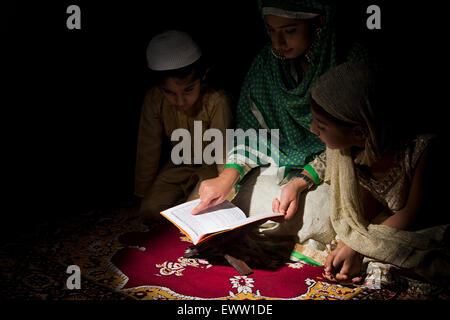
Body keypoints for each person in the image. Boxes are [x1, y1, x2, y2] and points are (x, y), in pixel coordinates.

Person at [273, 61, 449, 286]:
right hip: (378, 222)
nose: (312, 129)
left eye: (321, 125)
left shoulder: (422, 151)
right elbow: (324, 163)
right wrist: (297, 184)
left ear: (359, 132)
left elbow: (411, 214)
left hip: (418, 225)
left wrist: (355, 245)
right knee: (315, 220)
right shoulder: (347, 149)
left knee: (415, 253)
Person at [191, 0, 367, 222]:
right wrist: (228, 175)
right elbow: (253, 132)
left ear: (319, 23)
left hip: (341, 165)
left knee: (317, 213)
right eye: (272, 30)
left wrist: (302, 181)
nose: (278, 42)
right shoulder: (267, 65)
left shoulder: (348, 60)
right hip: (280, 162)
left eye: (289, 30)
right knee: (245, 203)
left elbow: (358, 141)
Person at [134, 30, 233, 221]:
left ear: (203, 75)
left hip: (211, 169)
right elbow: (148, 148)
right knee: (150, 210)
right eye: (169, 92)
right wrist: (142, 195)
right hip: (179, 164)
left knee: (201, 212)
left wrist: (225, 187)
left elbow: (223, 153)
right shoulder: (154, 99)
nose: (180, 101)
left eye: (188, 90)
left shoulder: (217, 101)